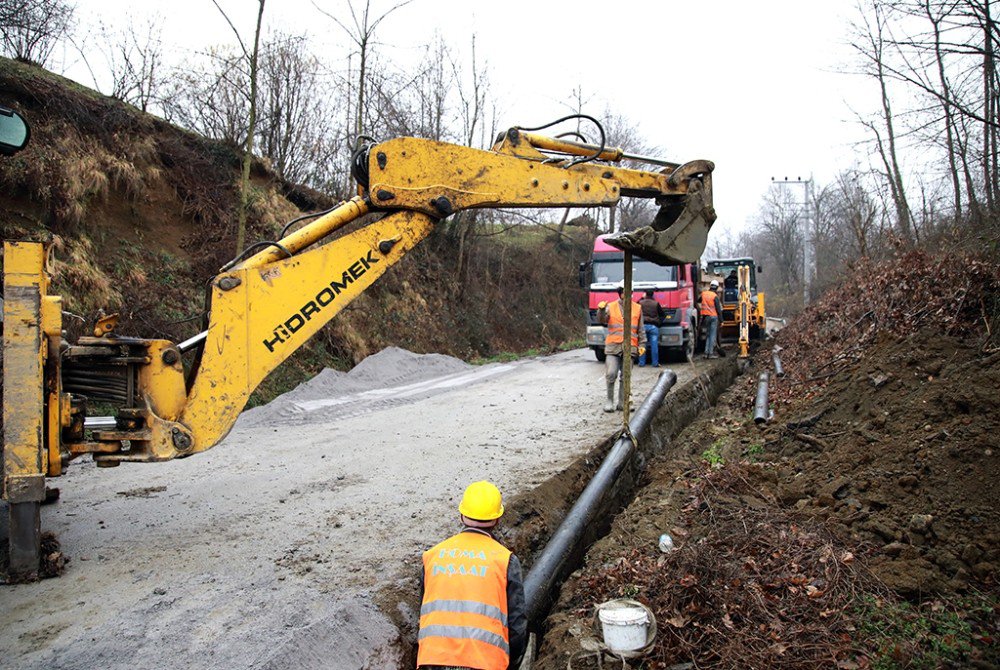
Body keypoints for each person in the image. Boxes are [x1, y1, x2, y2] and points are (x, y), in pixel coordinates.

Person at [417, 481, 527, 670]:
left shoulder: (433, 556)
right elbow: (517, 624)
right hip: (484, 663)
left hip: (432, 660)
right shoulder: (505, 561)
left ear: (462, 515)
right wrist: (513, 661)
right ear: (498, 519)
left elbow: (424, 611)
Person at [598, 284, 646, 412]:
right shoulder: (611, 307)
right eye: (625, 292)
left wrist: (642, 344)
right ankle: (609, 401)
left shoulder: (637, 308)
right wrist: (601, 310)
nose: (628, 294)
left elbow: (641, 329)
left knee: (626, 376)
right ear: (620, 293)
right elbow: (603, 320)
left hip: (630, 347)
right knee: (611, 373)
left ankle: (622, 403)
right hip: (613, 346)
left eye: (630, 292)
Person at [637, 289, 665, 368]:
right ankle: (655, 363)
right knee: (654, 345)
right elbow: (663, 315)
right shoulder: (656, 303)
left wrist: (641, 298)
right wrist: (658, 323)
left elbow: (634, 306)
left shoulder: (640, 303)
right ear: (652, 295)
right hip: (653, 326)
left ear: (645, 294)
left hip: (642, 326)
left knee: (642, 345)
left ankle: (641, 363)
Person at [699, 279, 723, 358]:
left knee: (708, 335)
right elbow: (718, 309)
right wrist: (721, 321)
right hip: (713, 317)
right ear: (716, 287)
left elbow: (698, 300)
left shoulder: (703, 294)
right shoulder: (714, 296)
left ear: (710, 286)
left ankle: (706, 353)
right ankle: (711, 353)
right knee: (712, 335)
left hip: (706, 317)